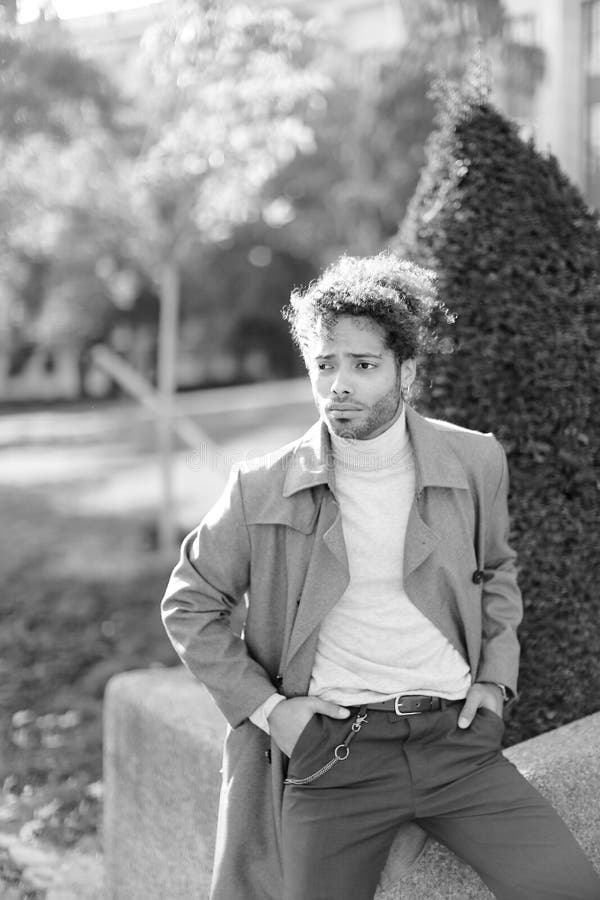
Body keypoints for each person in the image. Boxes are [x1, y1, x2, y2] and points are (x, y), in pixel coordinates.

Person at [161, 253, 600, 900]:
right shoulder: (263, 487)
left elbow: (497, 571)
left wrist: (495, 683)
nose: (339, 384)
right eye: (325, 365)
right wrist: (272, 712)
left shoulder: (474, 459)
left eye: (364, 366)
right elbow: (189, 604)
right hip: (336, 755)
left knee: (569, 888)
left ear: (407, 372)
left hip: (457, 746)